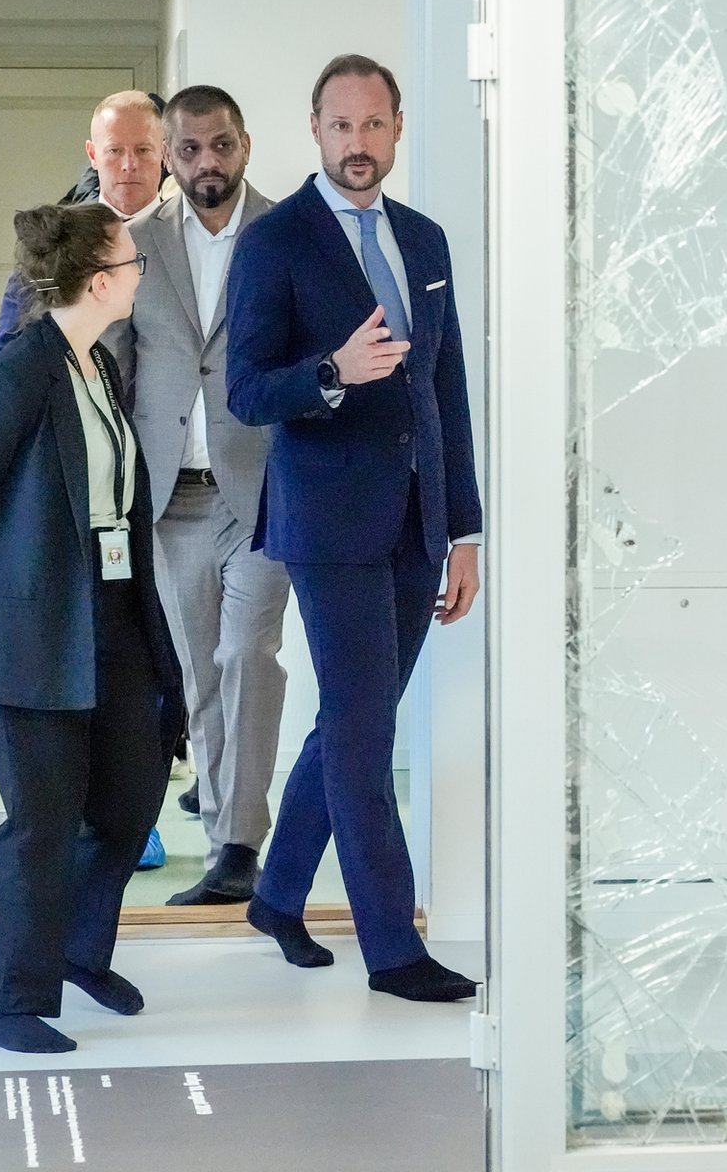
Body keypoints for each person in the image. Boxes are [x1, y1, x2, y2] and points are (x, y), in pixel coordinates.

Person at [225, 54, 482, 1003]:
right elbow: (247, 391)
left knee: (351, 719)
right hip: (328, 524)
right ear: (315, 130)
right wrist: (332, 371)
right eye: (341, 126)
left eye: (374, 125)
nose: (358, 143)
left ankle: (277, 895)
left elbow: (446, 387)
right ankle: (393, 948)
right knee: (367, 734)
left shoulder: (424, 239)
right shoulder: (275, 242)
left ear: (398, 128)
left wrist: (465, 531)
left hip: (419, 521)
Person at [0, 203, 186, 1053]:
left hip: (111, 616)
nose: (141, 273)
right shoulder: (15, 376)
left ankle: (78, 953)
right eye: (132, 263)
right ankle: (11, 1003)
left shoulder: (96, 364)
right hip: (31, 636)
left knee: (127, 800)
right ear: (100, 282)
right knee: (39, 823)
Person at [114, 85, 292, 906]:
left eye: (221, 145)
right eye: (189, 149)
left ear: (244, 145)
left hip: (264, 492)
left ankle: (240, 844)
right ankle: (225, 836)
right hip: (171, 498)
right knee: (201, 674)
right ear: (170, 156)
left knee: (247, 655)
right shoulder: (134, 242)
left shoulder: (287, 233)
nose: (207, 162)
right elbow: (113, 365)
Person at [0, 91, 168, 363]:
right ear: (92, 154)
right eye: (114, 150)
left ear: (164, 152)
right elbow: (2, 361)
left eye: (143, 150)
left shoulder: (188, 236)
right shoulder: (55, 239)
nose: (129, 165)